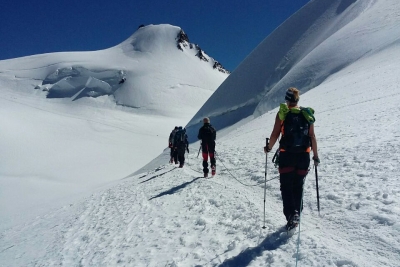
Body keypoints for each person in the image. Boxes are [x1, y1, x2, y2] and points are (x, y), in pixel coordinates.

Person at [264, 87, 319, 230]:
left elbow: (275, 134)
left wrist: (268, 148)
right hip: (304, 156)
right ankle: (297, 214)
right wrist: (316, 156)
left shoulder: (283, 113)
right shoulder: (306, 114)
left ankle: (291, 215)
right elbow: (312, 136)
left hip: (287, 155)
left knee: (286, 187)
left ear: (287, 100)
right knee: (298, 185)